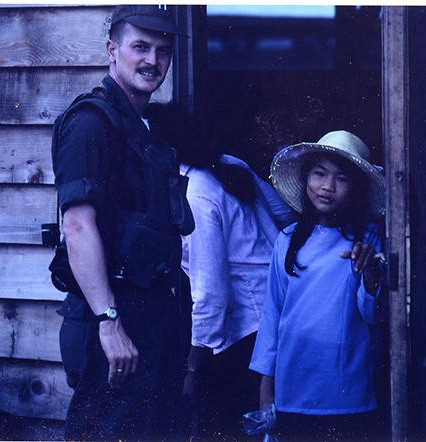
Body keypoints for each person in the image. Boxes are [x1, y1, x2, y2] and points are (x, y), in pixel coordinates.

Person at [51, 5, 192, 440]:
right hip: (112, 321)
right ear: (112, 50)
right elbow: (77, 226)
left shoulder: (145, 126)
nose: (153, 60)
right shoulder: (91, 123)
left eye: (162, 51)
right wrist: (108, 321)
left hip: (150, 321)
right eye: (140, 47)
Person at [249, 130, 386, 441]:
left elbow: (373, 314)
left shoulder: (367, 241)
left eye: (341, 178)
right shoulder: (287, 240)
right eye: (319, 174)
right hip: (293, 385)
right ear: (305, 178)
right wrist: (266, 386)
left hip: (347, 388)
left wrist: (370, 273)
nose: (328, 186)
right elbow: (272, 316)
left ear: (356, 188)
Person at [165, 116, 293, 439]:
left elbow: (212, 293)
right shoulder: (229, 164)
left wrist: (194, 366)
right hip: (275, 310)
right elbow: (284, 214)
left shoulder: (193, 195)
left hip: (244, 330)